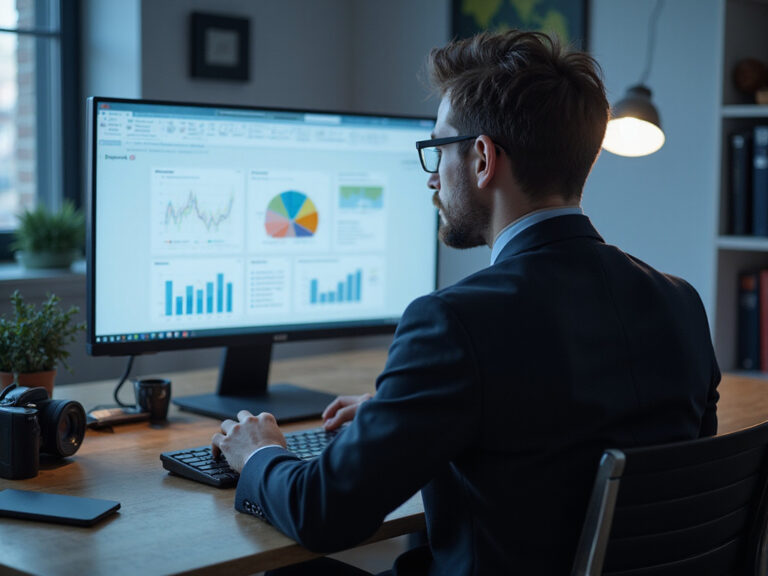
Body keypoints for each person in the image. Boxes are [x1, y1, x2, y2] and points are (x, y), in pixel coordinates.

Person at [212, 29, 720, 575]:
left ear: (481, 158)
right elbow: (609, 444)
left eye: (437, 149)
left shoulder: (455, 322)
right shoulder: (679, 301)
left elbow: (323, 514)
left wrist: (259, 452)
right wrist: (406, 415)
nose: (432, 180)